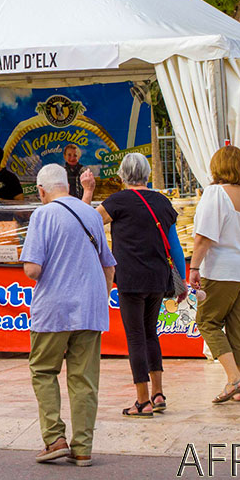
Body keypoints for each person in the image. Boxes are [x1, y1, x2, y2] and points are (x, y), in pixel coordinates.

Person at [21, 163, 116, 467]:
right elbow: (109, 266)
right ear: (68, 185)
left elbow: (33, 269)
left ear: (41, 190)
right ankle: (83, 448)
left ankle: (54, 439)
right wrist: (100, 298)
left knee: (43, 371)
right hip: (89, 310)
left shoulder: (42, 214)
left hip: (53, 310)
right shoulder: (91, 213)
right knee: (84, 380)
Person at [97, 153, 186, 417]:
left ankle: (142, 400)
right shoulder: (163, 202)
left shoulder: (116, 202)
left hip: (131, 278)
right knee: (150, 333)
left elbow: (89, 224)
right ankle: (158, 393)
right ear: (147, 173)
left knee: (135, 336)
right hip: (158, 279)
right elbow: (176, 244)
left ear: (122, 175)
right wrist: (180, 281)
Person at [190, 146, 240, 405]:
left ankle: (234, 378)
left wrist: (193, 268)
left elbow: (204, 237)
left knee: (207, 321)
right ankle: (236, 385)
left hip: (223, 271)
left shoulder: (215, 194)